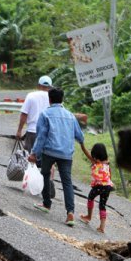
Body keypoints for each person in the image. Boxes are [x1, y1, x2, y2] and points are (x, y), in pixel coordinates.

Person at [28, 87, 84, 227]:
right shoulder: (70, 115)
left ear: (50, 99)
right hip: (66, 154)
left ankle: (47, 204)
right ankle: (70, 213)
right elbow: (80, 136)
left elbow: (41, 137)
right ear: (62, 99)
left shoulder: (45, 114)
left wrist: (34, 153)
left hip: (49, 152)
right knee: (67, 182)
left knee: (45, 174)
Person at [79, 143, 114, 233]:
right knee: (102, 205)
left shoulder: (96, 162)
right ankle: (102, 226)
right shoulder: (107, 163)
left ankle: (89, 216)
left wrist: (82, 144)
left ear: (95, 154)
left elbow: (86, 153)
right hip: (108, 186)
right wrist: (109, 183)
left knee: (90, 198)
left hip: (99, 186)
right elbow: (109, 174)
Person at [16, 75, 53, 152]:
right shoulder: (53, 97)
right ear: (50, 87)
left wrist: (19, 130)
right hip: (48, 133)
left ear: (38, 85)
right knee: (45, 160)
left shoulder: (31, 96)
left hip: (32, 132)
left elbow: (24, 114)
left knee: (30, 158)